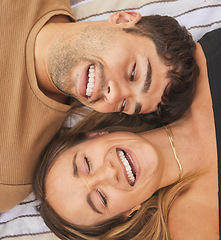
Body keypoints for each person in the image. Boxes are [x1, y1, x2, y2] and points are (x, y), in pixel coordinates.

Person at [0, 1, 198, 213]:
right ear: (124, 20)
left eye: (124, 105)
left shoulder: (11, 173)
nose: (113, 95)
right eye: (133, 73)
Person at [33, 25, 221, 239]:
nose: (109, 173)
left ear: (97, 134)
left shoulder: (198, 64)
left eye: (86, 163)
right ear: (126, 214)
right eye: (101, 199)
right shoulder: (194, 230)